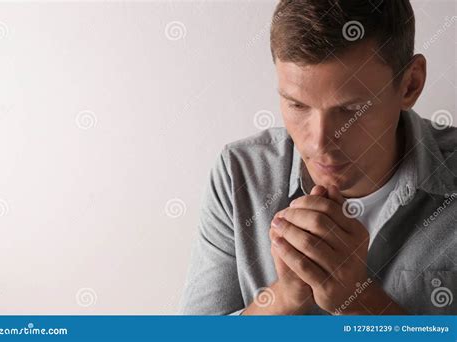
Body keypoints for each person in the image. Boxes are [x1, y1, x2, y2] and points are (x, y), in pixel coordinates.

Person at [179, 0, 456, 315]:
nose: (320, 142)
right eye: (297, 106)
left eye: (352, 109)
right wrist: (285, 297)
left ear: (411, 84)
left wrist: (358, 300)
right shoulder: (240, 174)